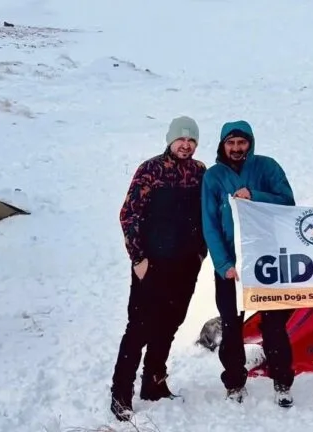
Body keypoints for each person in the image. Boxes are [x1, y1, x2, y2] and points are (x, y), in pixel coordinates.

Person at [110, 116, 207, 421]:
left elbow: (206, 212)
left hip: (185, 264)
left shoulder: (199, 172)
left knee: (170, 324)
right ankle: (121, 392)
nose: (186, 144)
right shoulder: (151, 170)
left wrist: (199, 253)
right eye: (181, 139)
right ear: (170, 140)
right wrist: (138, 258)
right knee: (139, 327)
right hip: (152, 264)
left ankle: (154, 382)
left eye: (191, 140)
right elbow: (129, 214)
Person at [201, 120, 297, 408]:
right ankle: (234, 381)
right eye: (230, 143)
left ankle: (281, 380)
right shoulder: (214, 177)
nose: (236, 148)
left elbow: (287, 202)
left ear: (250, 143)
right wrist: (223, 264)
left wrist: (255, 196)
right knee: (232, 324)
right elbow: (210, 223)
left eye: (241, 142)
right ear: (222, 145)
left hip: (267, 262)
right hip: (231, 267)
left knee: (274, 323)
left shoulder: (267, 167)